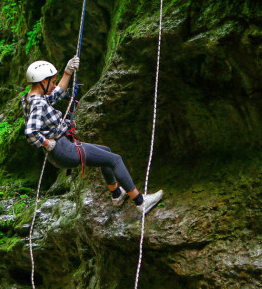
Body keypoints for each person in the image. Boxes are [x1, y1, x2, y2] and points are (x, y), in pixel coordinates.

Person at [22, 57, 163, 214]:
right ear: (43, 82)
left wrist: (67, 72)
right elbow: (30, 132)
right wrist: (48, 143)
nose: (54, 85)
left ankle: (117, 194)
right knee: (115, 159)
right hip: (63, 149)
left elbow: (57, 93)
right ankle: (140, 202)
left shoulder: (33, 98)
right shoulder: (38, 103)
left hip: (61, 150)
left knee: (106, 152)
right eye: (52, 81)